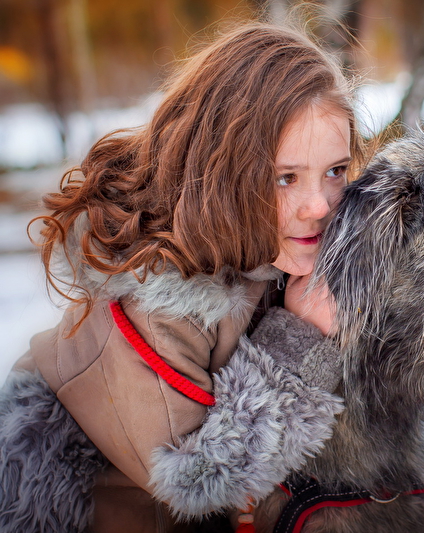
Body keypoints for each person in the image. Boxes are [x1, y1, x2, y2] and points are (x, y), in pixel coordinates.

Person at [0, 20, 365, 532]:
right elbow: (199, 480)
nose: (320, 205)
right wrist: (300, 340)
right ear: (222, 172)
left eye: (336, 171)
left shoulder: (279, 249)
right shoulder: (158, 297)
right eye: (285, 177)